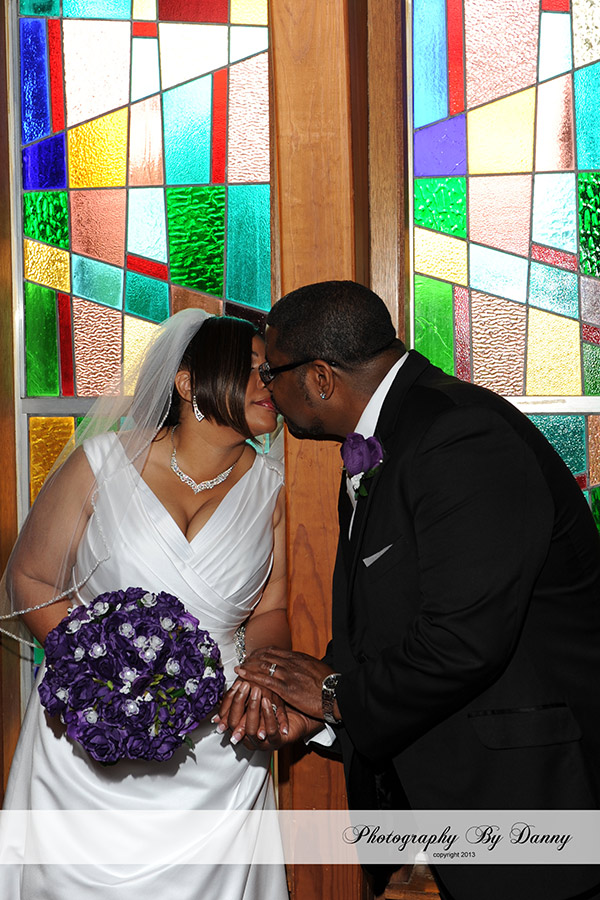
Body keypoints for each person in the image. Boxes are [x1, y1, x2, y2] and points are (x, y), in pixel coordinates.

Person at [219, 280, 600, 900]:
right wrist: (317, 715)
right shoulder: (392, 435)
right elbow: (388, 620)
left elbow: (463, 640)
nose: (266, 388)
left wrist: (336, 697)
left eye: (271, 371)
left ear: (320, 378)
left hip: (528, 796)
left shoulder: (460, 436)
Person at [0, 309, 290, 899]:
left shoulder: (271, 488)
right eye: (251, 368)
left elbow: (271, 609)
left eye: (271, 371)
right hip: (87, 747)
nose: (269, 383)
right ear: (187, 383)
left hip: (218, 744)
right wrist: (100, 676)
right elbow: (30, 578)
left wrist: (260, 681)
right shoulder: (102, 463)